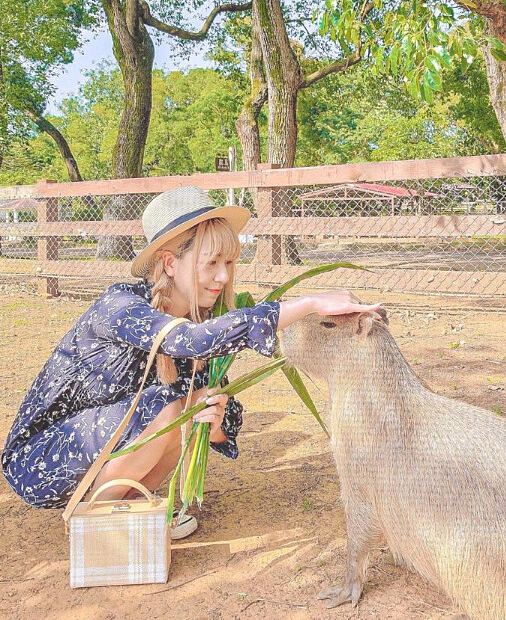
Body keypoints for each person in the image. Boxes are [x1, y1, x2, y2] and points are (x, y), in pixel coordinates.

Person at [2, 186, 381, 538]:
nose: (222, 276)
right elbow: (188, 342)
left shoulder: (203, 321)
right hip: (41, 458)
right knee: (166, 406)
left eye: (230, 262)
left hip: (98, 446)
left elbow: (224, 420)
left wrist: (213, 421)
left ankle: (130, 506)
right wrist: (309, 304)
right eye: (211, 262)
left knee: (191, 401)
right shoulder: (120, 305)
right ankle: (101, 522)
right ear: (169, 263)